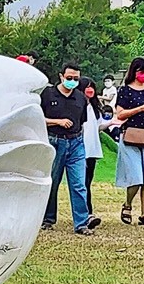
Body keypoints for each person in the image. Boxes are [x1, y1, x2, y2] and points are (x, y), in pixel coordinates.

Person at [40, 63, 101, 234]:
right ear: (61, 76)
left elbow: (82, 123)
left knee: (79, 184)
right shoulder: (48, 94)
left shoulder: (81, 98)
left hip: (76, 143)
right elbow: (37, 117)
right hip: (54, 141)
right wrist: (57, 122)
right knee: (52, 182)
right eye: (69, 78)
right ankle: (47, 218)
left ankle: (81, 223)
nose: (72, 81)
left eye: (76, 79)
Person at [113, 57, 144, 225]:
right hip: (130, 136)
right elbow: (120, 114)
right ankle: (127, 204)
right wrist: (140, 109)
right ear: (134, 72)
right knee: (136, 176)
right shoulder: (125, 91)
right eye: (142, 72)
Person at [79, 77, 104, 215]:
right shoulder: (78, 106)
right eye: (87, 87)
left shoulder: (94, 108)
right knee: (82, 183)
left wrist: (113, 122)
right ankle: (86, 212)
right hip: (81, 150)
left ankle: (88, 211)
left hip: (92, 150)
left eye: (92, 87)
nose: (90, 90)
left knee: (87, 182)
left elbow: (98, 126)